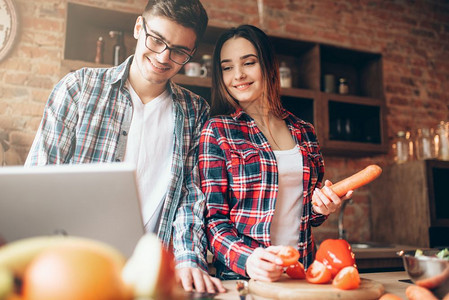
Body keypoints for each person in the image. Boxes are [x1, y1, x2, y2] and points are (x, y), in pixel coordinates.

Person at [25, 0, 225, 293]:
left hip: (152, 275)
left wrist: (188, 259)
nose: (163, 57)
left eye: (179, 51)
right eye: (156, 40)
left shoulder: (196, 112)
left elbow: (190, 196)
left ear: (191, 53)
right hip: (75, 269)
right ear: (137, 28)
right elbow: (38, 182)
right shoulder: (78, 89)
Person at [199, 24, 353, 282]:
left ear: (269, 66)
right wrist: (249, 261)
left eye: (248, 63)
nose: (237, 75)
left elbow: (309, 213)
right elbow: (212, 221)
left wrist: (323, 207)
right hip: (245, 280)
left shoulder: (305, 131)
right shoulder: (217, 131)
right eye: (227, 67)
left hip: (301, 275)